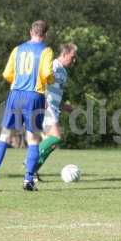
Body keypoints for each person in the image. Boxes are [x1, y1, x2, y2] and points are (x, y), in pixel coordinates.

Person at [0, 20, 54, 191]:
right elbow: (46, 74)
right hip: (34, 95)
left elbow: (7, 74)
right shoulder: (46, 50)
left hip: (15, 95)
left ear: (31, 31)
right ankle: (28, 179)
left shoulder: (18, 49)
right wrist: (51, 79)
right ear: (45, 34)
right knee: (33, 139)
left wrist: (20, 80)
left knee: (4, 136)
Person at [32, 43, 77, 181]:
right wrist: (41, 101)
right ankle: (30, 161)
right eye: (72, 57)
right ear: (64, 54)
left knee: (52, 143)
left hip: (54, 108)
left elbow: (55, 94)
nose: (74, 60)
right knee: (56, 137)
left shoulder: (63, 71)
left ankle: (32, 172)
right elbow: (38, 83)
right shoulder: (53, 66)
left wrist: (65, 107)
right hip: (45, 107)